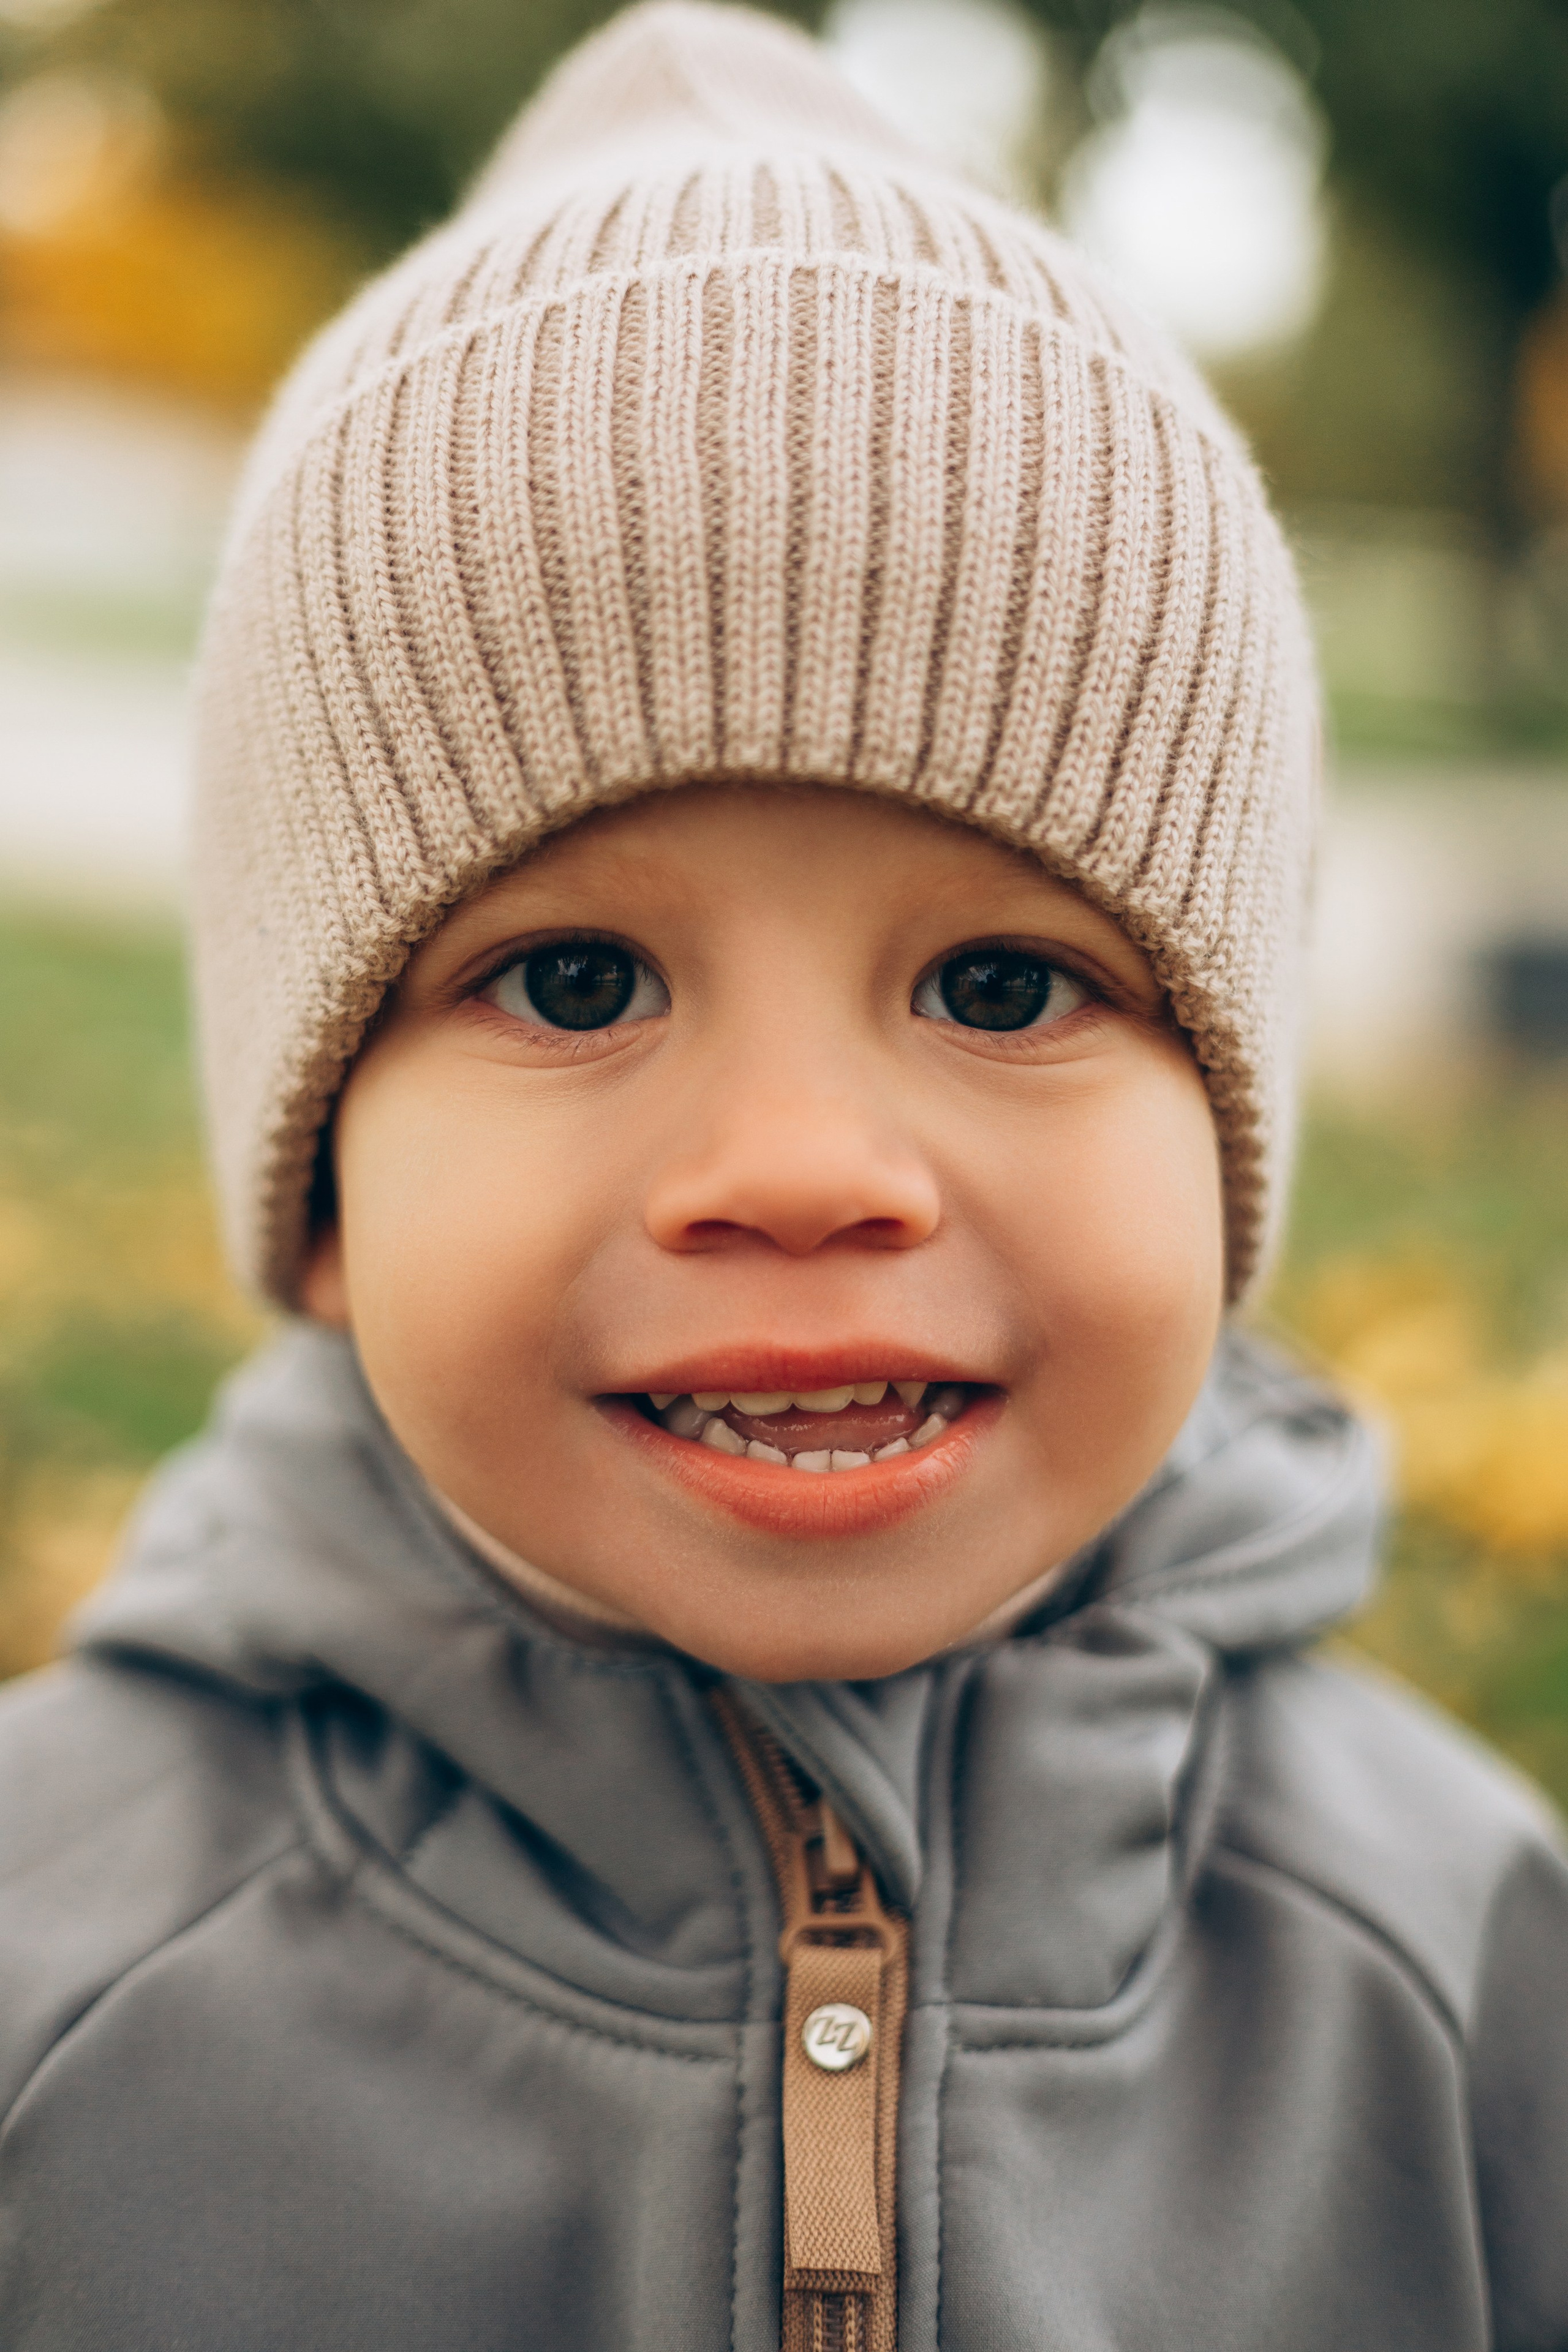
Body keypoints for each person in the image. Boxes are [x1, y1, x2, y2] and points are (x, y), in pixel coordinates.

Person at [2, 6, 1566, 2346]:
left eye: (1012, 993)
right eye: (572, 985)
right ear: (320, 1190)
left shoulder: (1459, 1967)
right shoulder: (59, 1966)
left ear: (1229, 1144)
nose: (807, 1171)